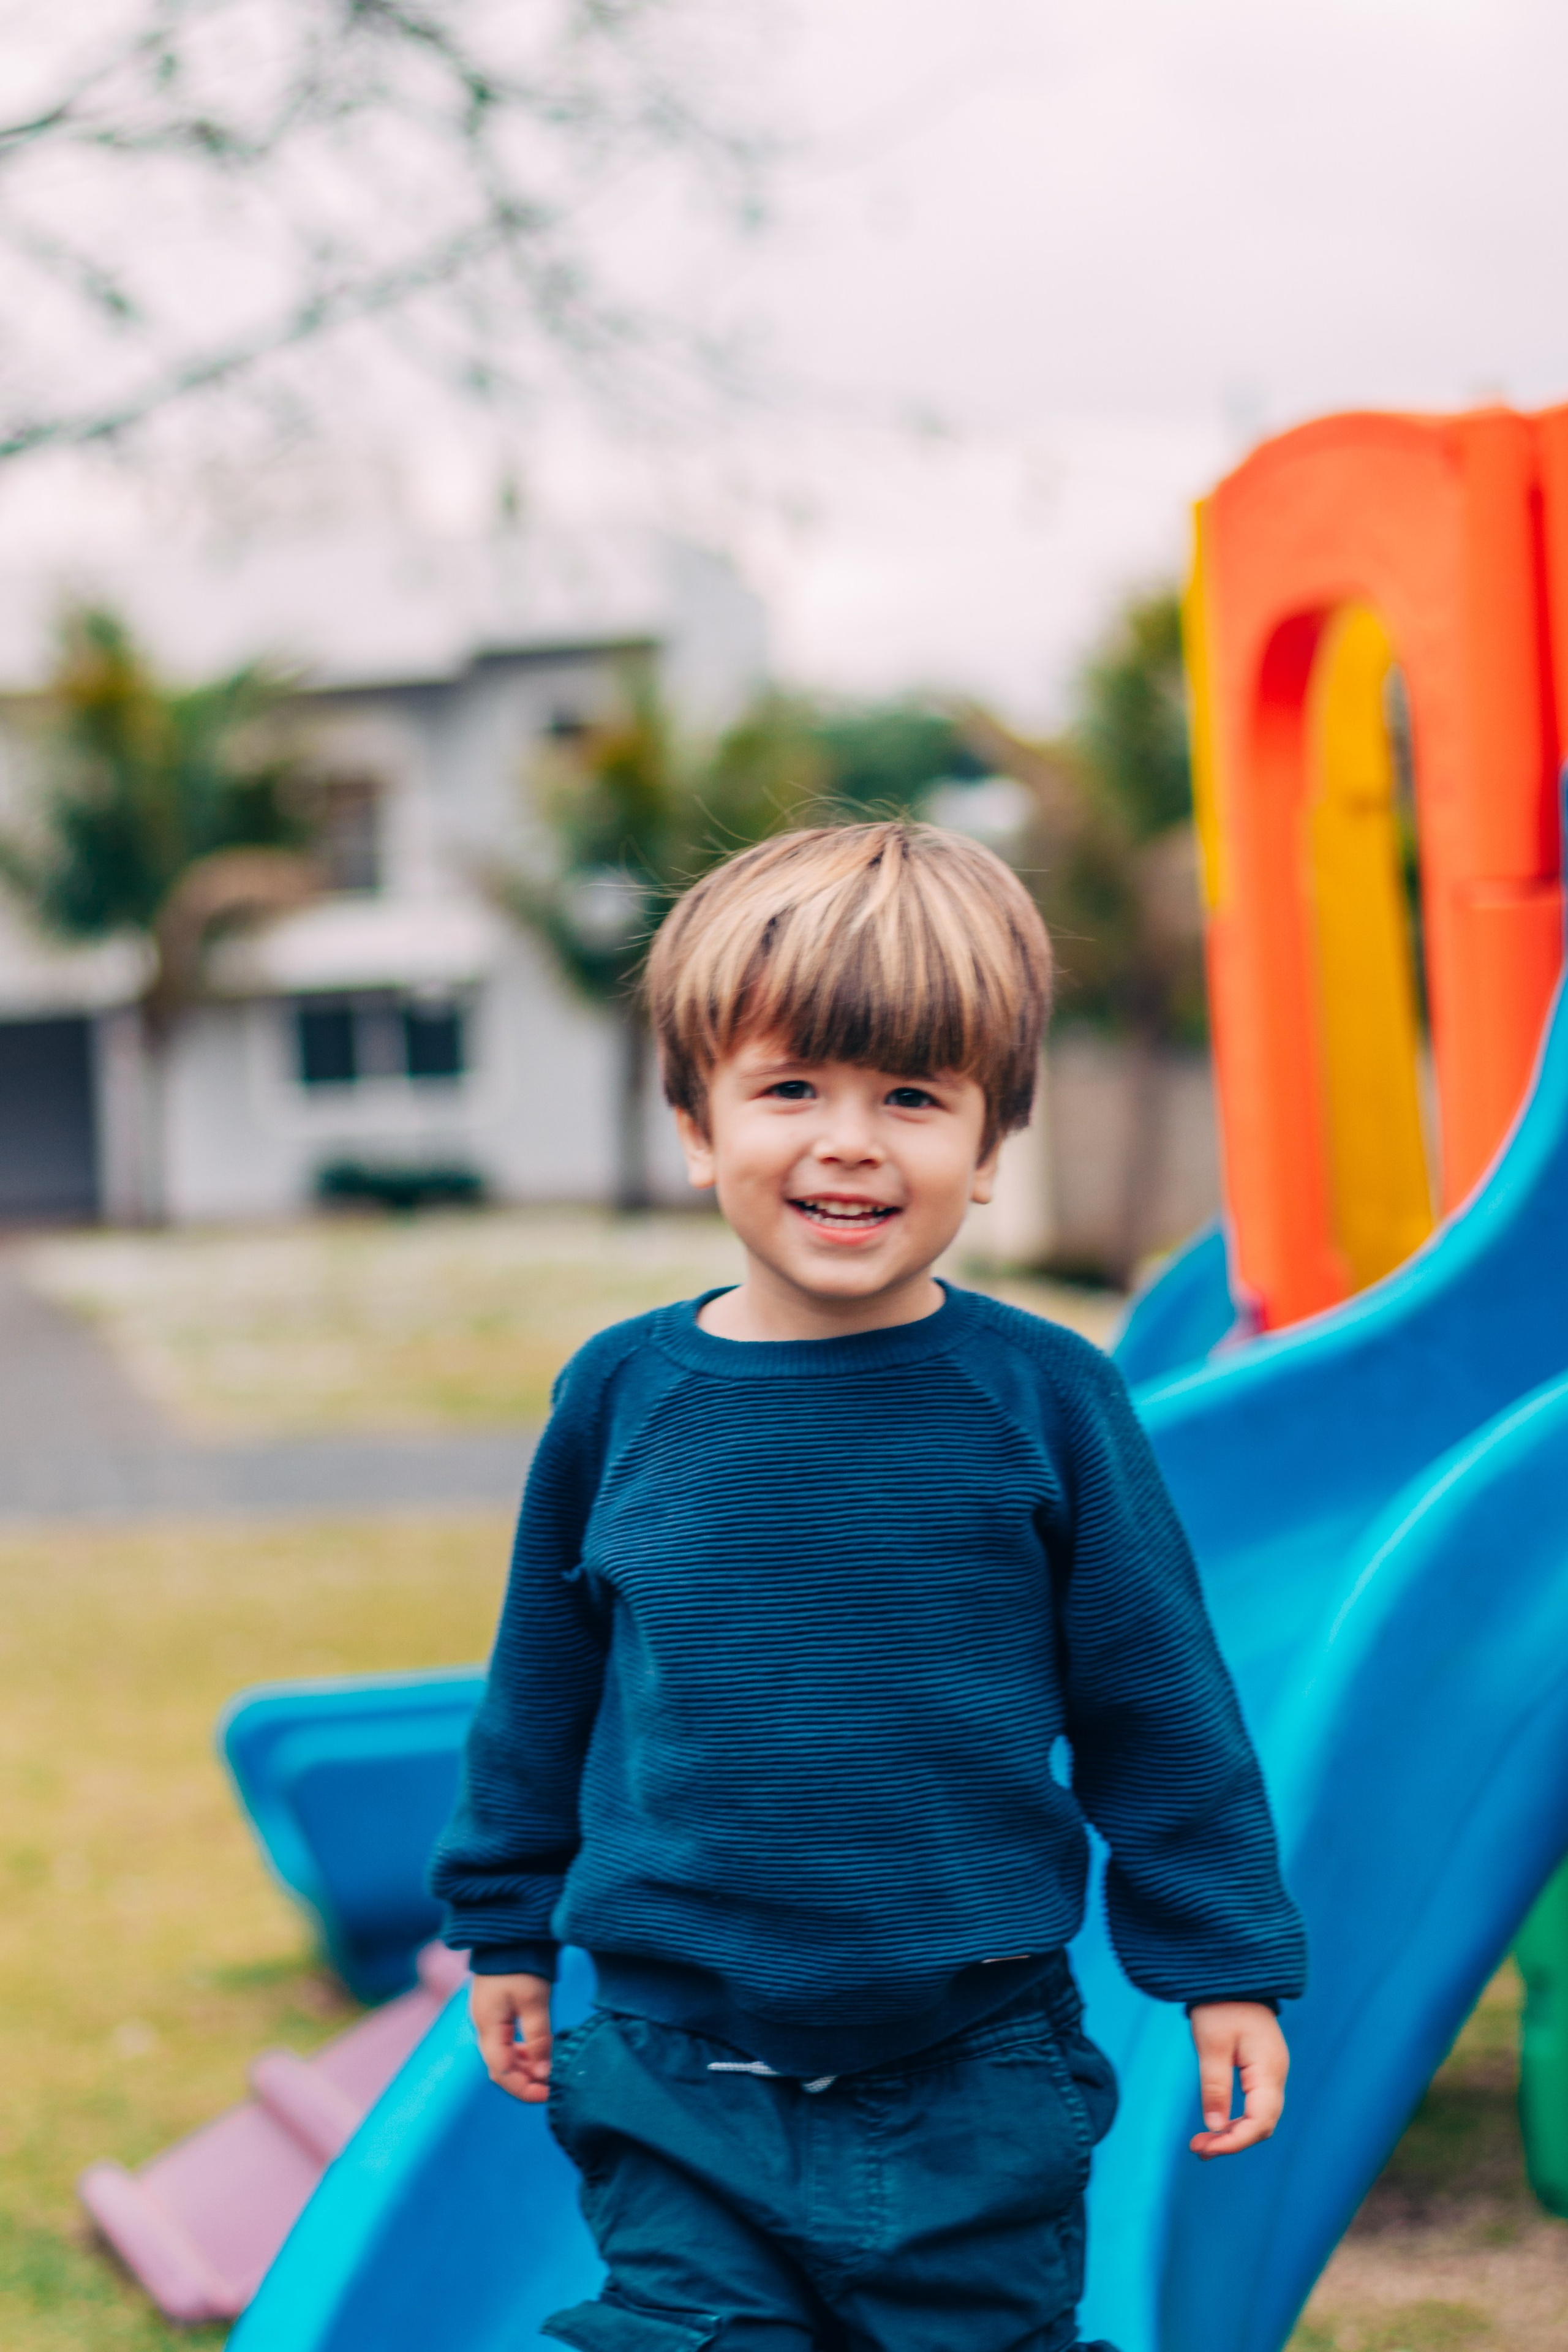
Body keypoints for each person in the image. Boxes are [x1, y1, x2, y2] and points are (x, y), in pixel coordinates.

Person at [431, 819, 1306, 2352]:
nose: (848, 1141)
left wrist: (1221, 1964)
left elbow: (1153, 1702)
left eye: (910, 1097)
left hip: (970, 2063)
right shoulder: (622, 1398)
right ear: (698, 1127)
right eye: (789, 1091)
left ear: (984, 1149)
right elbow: (543, 1688)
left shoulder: (1044, 1399)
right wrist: (505, 1927)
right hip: (675, 2056)